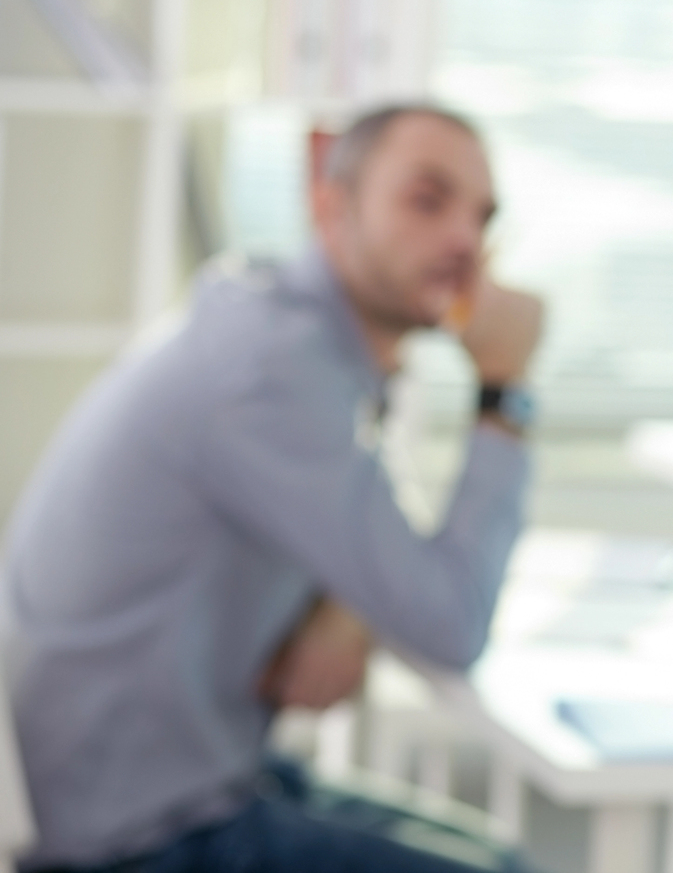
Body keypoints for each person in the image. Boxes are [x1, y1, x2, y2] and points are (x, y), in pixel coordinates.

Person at [0, 105, 545, 872]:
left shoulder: (287, 336)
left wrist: (341, 600)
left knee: (502, 855)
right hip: (136, 834)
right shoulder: (273, 374)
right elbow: (450, 621)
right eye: (427, 200)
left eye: (482, 216)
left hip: (199, 776)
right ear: (331, 204)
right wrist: (502, 390)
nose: (465, 241)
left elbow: (363, 539)